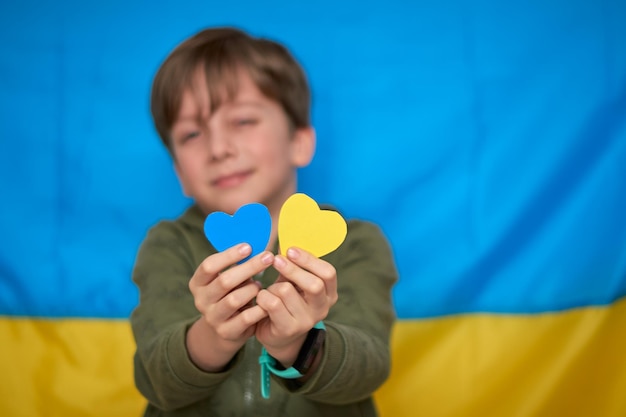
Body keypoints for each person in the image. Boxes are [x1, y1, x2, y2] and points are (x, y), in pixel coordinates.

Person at [130, 26, 398, 417]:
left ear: (299, 142)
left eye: (242, 121)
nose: (219, 148)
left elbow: (369, 367)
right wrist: (215, 335)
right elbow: (156, 378)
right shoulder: (167, 244)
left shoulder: (356, 242)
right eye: (191, 134)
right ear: (180, 174)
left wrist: (296, 344)